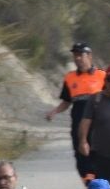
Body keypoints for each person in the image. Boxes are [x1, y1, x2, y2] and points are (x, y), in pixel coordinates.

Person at [45, 44, 106, 180]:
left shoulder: (102, 75)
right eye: (75, 55)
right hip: (78, 126)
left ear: (89, 56)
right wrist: (54, 111)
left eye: (81, 55)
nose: (78, 58)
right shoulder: (70, 77)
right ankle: (91, 187)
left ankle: (101, 188)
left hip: (98, 126)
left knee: (99, 159)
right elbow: (67, 101)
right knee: (81, 160)